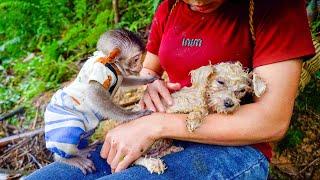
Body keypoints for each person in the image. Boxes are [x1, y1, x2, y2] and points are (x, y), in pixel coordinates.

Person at [26, 0, 315, 179]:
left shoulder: (276, 6)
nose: (199, 1)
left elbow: (273, 121)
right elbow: (149, 70)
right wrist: (153, 86)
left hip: (233, 148)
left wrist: (155, 125)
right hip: (155, 136)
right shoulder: (170, 7)